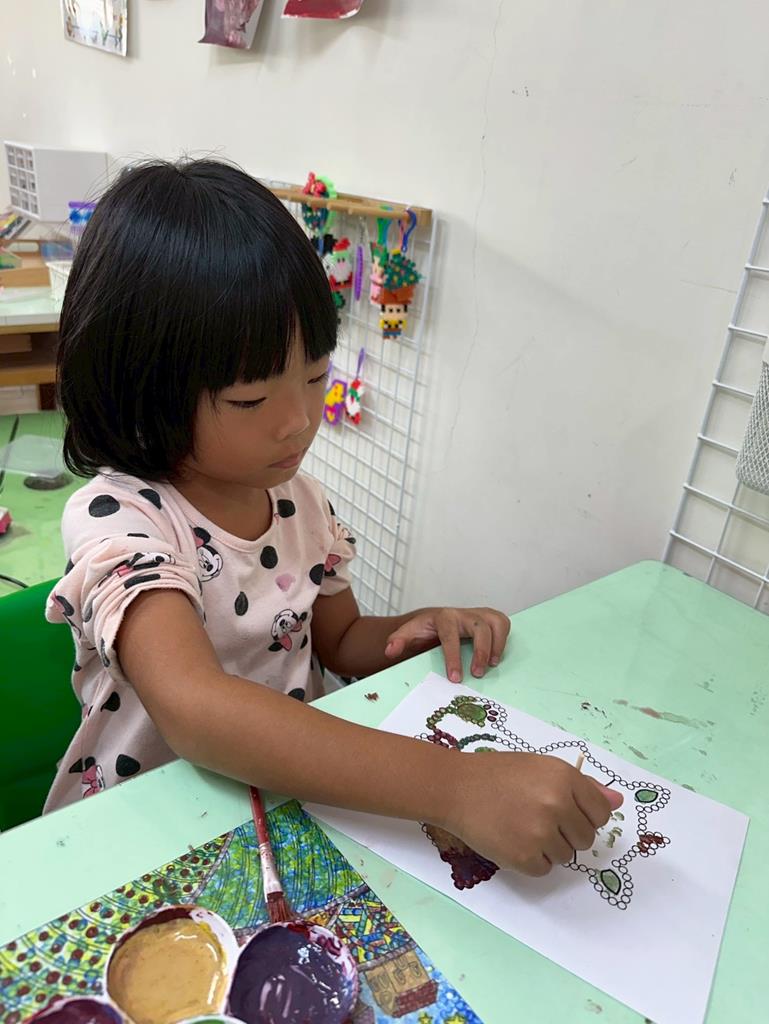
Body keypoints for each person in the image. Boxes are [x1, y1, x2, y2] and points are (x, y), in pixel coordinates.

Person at [46, 159, 621, 876]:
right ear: (140, 387)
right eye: (250, 400)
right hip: (144, 834)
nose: (299, 420)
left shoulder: (301, 502)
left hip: (288, 809)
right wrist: (457, 787)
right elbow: (195, 709)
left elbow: (340, 641)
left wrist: (416, 629)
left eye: (316, 376)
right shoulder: (122, 520)